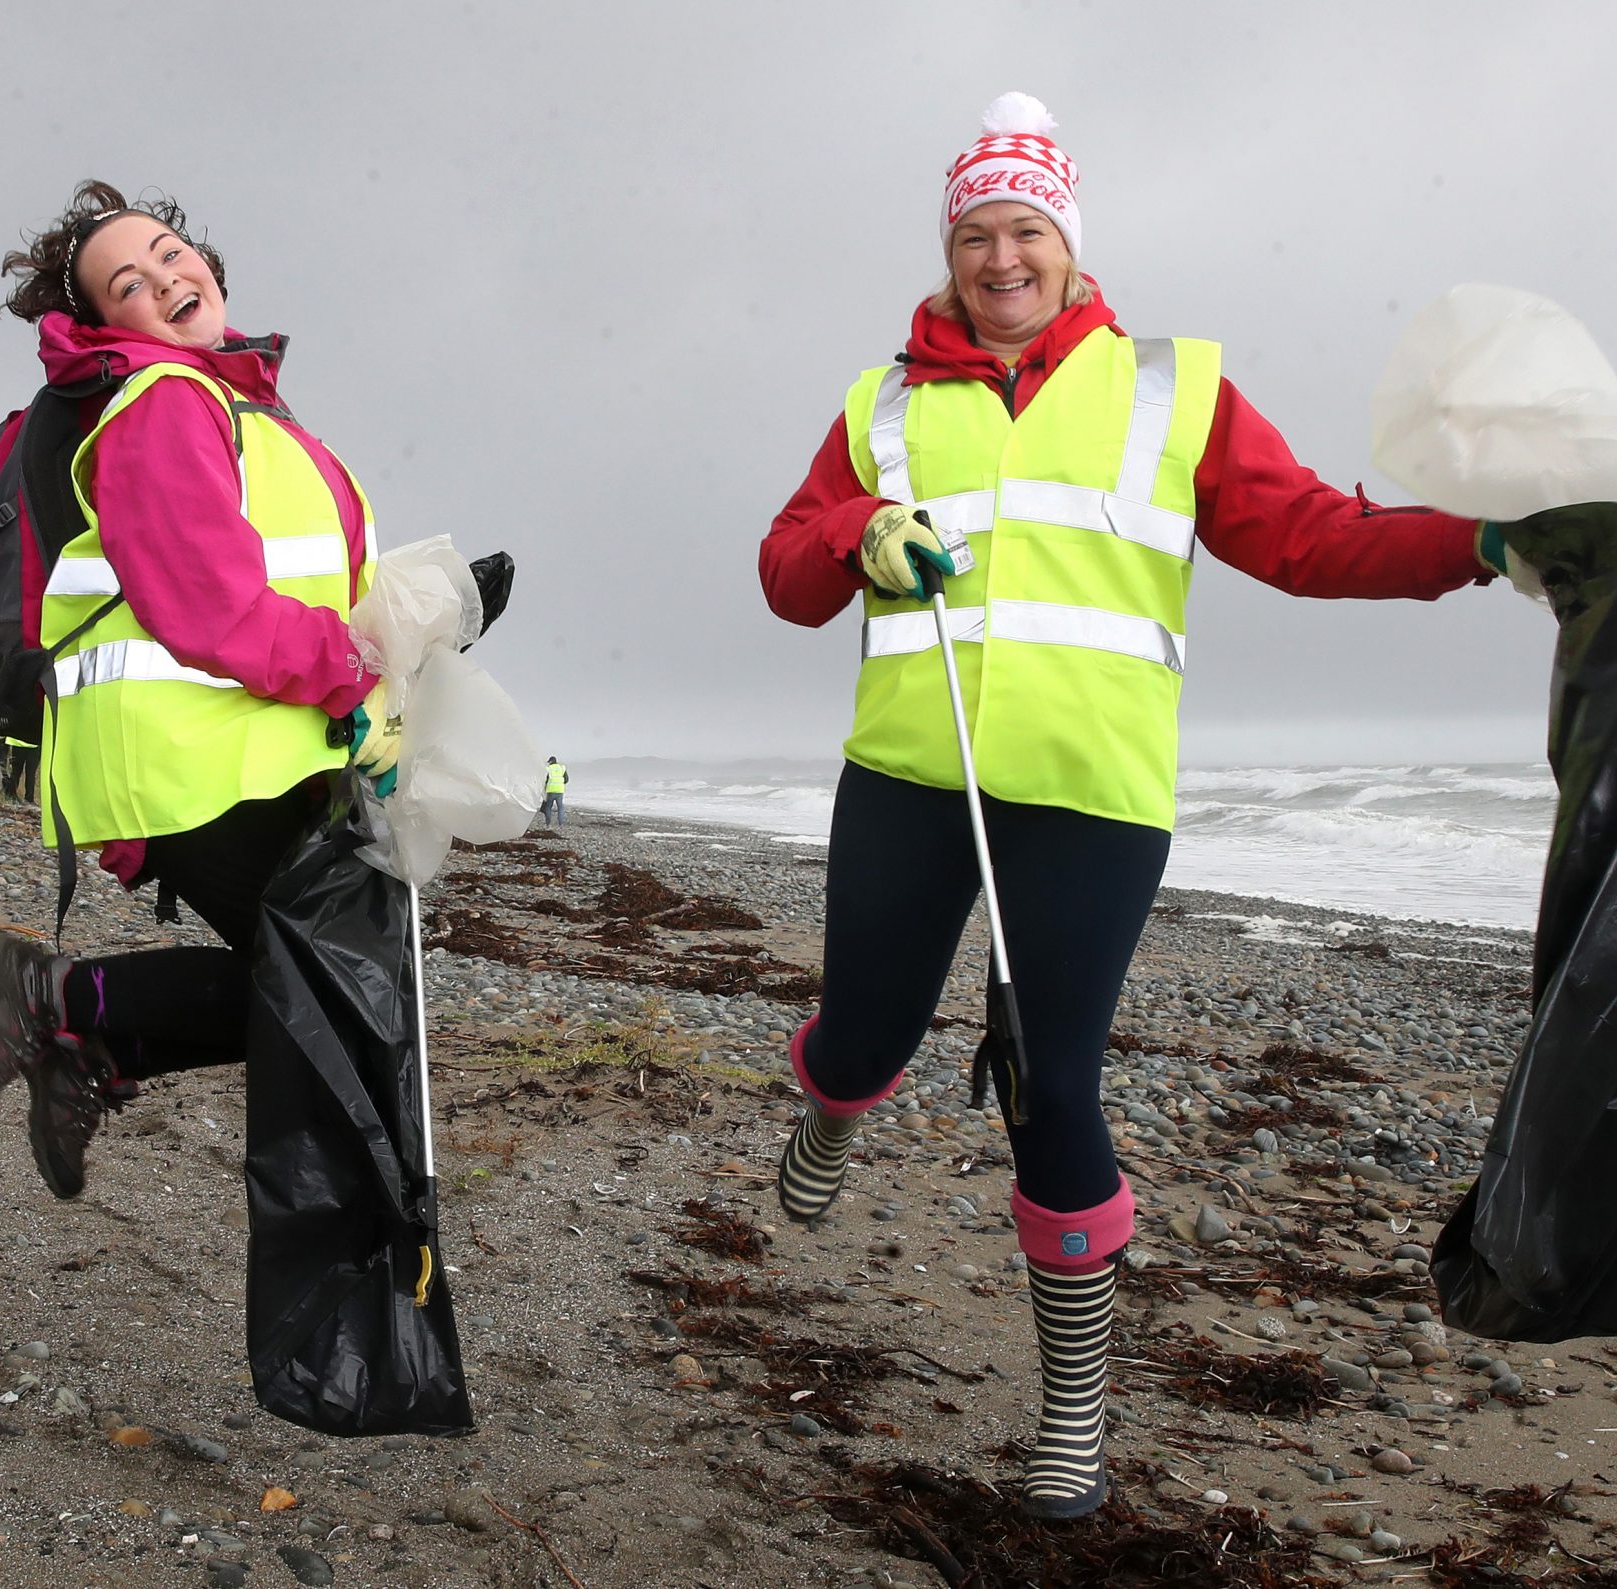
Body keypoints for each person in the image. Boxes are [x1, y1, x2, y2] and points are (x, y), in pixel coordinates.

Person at [757, 94, 1515, 1519]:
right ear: (948, 251)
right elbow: (786, 572)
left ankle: (1072, 1410)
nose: (1001, 259)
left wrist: (1476, 543)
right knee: (863, 1036)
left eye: (1026, 231)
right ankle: (832, 1107)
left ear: (1070, 244)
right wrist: (860, 532)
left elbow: (1312, 536)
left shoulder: (1176, 389)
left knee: (1056, 1091)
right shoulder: (885, 405)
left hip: (1096, 802)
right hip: (916, 778)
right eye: (975, 235)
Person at [0, 180, 401, 1200]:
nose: (163, 276)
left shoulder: (240, 405)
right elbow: (210, 608)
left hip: (241, 750)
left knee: (332, 991)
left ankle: (81, 1028)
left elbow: (304, 582)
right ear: (106, 323)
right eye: (129, 281)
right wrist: (353, 670)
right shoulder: (160, 402)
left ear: (206, 263)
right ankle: (64, 1007)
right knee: (340, 994)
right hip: (190, 762)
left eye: (168, 251)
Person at [539, 755, 568, 828]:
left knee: (548, 807)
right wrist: (560, 783)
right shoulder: (562, 768)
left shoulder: (549, 769)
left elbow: (545, 779)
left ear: (551, 762)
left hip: (551, 790)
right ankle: (561, 824)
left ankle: (548, 823)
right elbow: (566, 779)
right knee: (560, 807)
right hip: (560, 790)